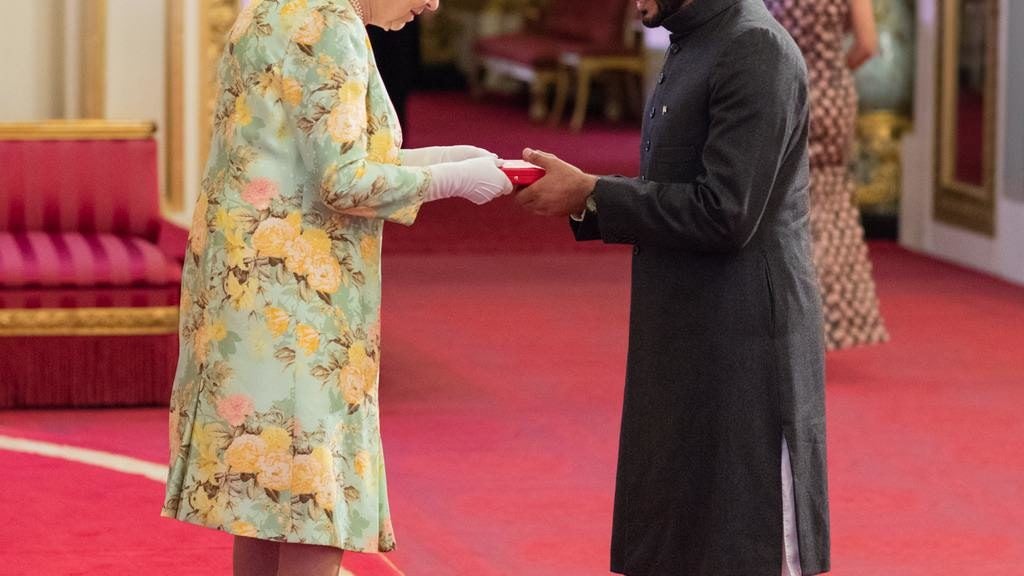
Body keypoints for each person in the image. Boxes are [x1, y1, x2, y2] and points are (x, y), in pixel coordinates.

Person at [160, 1, 513, 575]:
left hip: (244, 286)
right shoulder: (332, 27)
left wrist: (448, 158)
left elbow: (318, 154)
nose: (432, 5)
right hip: (296, 298)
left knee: (267, 496)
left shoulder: (275, 8)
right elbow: (344, 183)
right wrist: (449, 180)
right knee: (314, 503)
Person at [516, 0, 829, 574]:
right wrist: (589, 194)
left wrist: (591, 193)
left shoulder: (755, 48)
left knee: (742, 546)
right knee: (678, 542)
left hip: (745, 351)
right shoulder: (696, 41)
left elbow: (726, 212)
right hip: (690, 339)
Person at [765, 0, 889, 350]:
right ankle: (830, 322)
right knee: (830, 206)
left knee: (783, 203)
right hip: (831, 95)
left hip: (783, 88)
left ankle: (783, 317)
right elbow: (866, 44)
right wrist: (834, 67)